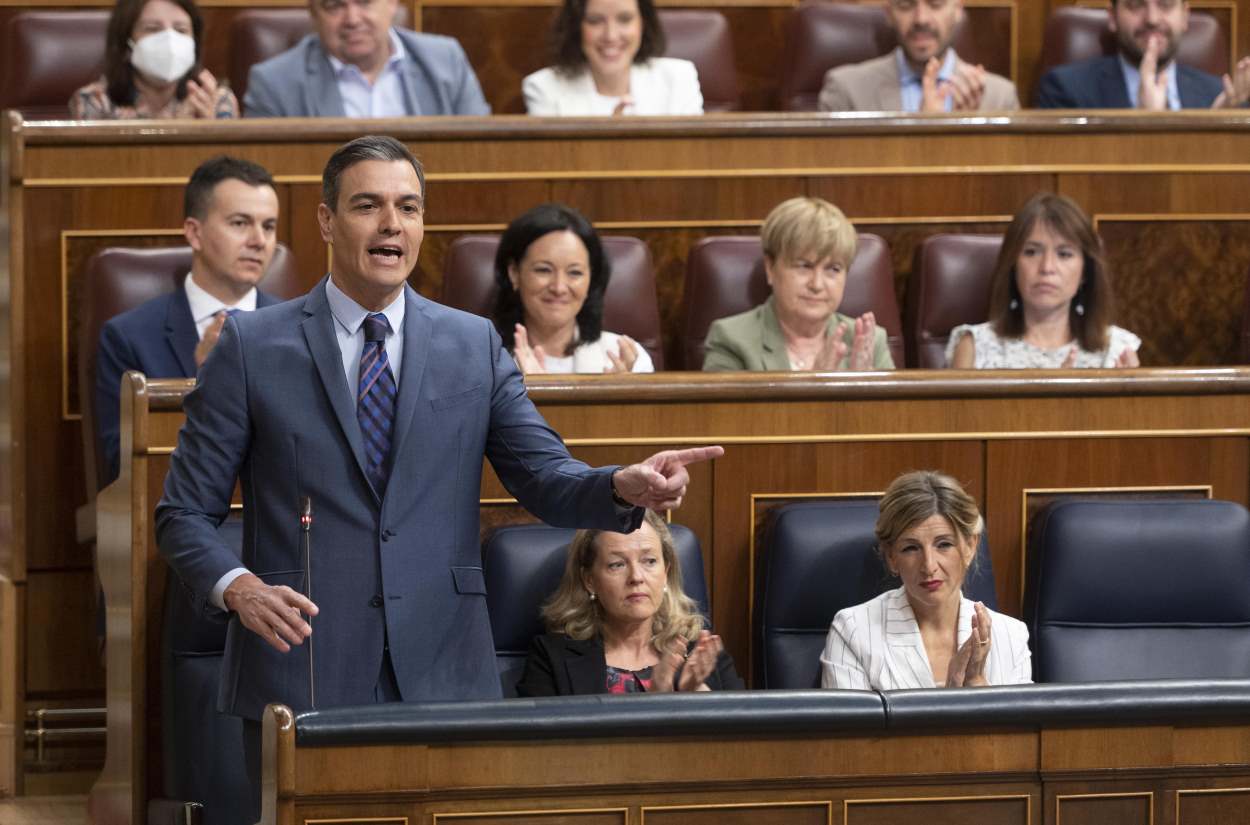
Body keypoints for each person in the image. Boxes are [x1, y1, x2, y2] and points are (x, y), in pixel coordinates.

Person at [154, 135, 720, 818]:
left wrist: (618, 487)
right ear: (328, 220)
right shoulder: (252, 346)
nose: (393, 223)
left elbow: (542, 475)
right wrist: (238, 587)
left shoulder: (472, 342)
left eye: (409, 207)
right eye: (369, 205)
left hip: (444, 666)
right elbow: (182, 513)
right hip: (301, 661)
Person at [96, 155, 283, 488]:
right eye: (240, 223)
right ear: (194, 233)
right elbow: (123, 469)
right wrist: (202, 382)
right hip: (179, 524)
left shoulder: (300, 329)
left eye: (268, 226)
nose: (259, 241)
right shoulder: (128, 338)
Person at [820, 470, 1032, 689]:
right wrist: (953, 696)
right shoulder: (853, 631)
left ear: (970, 547)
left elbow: (1022, 724)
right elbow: (849, 724)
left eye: (944, 545)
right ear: (891, 557)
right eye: (911, 548)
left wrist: (977, 685)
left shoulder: (1010, 635)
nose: (929, 566)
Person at [517, 510, 741, 695]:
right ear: (590, 581)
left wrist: (694, 693)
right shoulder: (551, 657)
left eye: (649, 561)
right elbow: (541, 747)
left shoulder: (703, 655)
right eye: (617, 564)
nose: (636, 577)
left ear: (666, 573)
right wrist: (660, 698)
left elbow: (742, 745)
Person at [946, 193, 1141, 369]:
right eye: (1031, 252)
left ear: (1085, 272)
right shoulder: (975, 346)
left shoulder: (1117, 349)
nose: (1047, 267)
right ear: (1013, 264)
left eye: (1064, 254)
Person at [702, 197, 894, 372]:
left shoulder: (870, 342)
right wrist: (815, 385)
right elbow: (723, 412)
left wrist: (865, 389)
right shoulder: (731, 340)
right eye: (804, 266)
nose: (817, 284)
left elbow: (897, 411)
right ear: (770, 268)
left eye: (833, 269)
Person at [243, 0, 489, 117]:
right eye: (334, 6)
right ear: (313, 14)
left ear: (393, 4)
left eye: (364, 2)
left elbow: (481, 153)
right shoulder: (274, 83)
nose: (352, 19)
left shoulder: (446, 61)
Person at [493, 203, 654, 374]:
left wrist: (616, 397)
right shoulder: (483, 360)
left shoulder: (626, 359)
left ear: (591, 278)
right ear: (514, 273)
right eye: (543, 270)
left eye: (575, 272)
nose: (559, 287)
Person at [1035, 0, 1250, 109]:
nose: (1152, 19)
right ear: (1112, 17)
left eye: (1165, 4)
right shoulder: (1064, 90)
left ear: (1185, 16)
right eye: (1136, 4)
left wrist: (1220, 129)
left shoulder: (1221, 99)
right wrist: (1144, 125)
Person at [818, 0, 1019, 113]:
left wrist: (965, 129)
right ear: (889, 13)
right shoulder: (846, 90)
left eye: (935, 4)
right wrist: (923, 127)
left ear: (957, 10)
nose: (921, 19)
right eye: (906, 5)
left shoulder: (999, 97)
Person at [522, 0, 702, 115]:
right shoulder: (543, 88)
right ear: (576, 27)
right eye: (595, 20)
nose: (611, 36)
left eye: (624, 19)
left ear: (643, 23)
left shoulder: (679, 78)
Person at [69, 0, 237, 119]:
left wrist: (210, 132)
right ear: (126, 43)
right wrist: (179, 130)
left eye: (181, 30)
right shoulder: (95, 101)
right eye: (152, 29)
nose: (170, 39)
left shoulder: (217, 100)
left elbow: (230, 166)